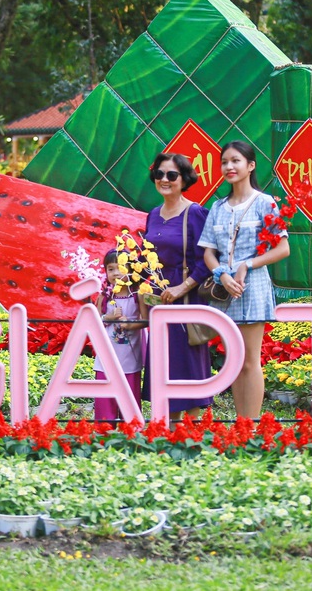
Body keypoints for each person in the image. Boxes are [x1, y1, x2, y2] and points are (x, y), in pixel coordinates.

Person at [199, 141, 291, 419]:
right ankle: (241, 422)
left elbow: (282, 249)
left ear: (250, 166)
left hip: (252, 288)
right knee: (233, 360)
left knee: (250, 360)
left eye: (236, 161)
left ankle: (249, 426)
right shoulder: (217, 207)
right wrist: (222, 274)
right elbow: (208, 252)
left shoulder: (266, 203)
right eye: (224, 161)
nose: (229, 167)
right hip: (224, 289)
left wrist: (246, 265)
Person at [140, 153, 212, 422]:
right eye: (159, 174)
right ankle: (169, 429)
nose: (164, 180)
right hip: (160, 301)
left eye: (172, 175)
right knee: (164, 364)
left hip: (186, 301)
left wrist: (184, 286)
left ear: (184, 180)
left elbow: (208, 259)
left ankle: (191, 433)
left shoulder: (194, 213)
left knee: (188, 366)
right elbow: (145, 258)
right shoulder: (153, 215)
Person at [95, 249, 146, 421]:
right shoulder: (104, 296)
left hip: (130, 357)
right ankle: (104, 435)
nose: (116, 273)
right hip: (106, 357)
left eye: (121, 268)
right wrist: (108, 317)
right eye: (111, 269)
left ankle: (130, 434)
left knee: (129, 399)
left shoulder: (137, 295)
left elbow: (147, 320)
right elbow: (94, 321)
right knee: (105, 397)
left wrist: (130, 324)